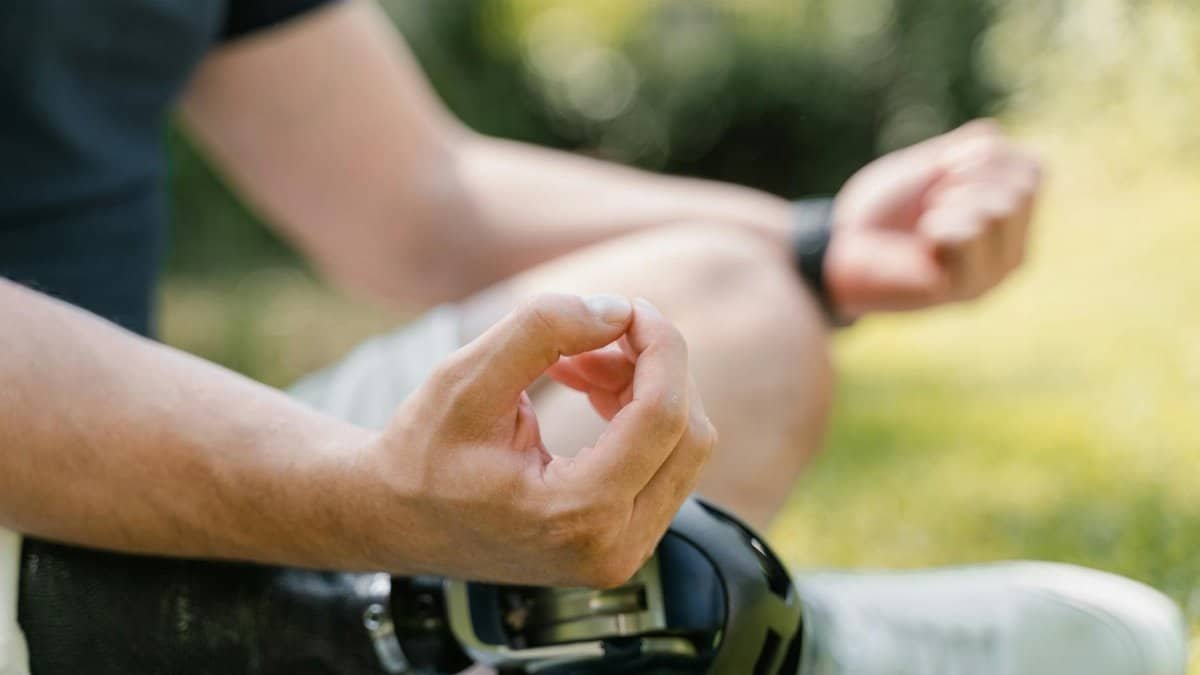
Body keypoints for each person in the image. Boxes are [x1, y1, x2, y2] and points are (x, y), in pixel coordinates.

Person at [0, 1, 1185, 674]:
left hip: (122, 469)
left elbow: (419, 197)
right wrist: (360, 502)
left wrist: (820, 245)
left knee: (730, 309)